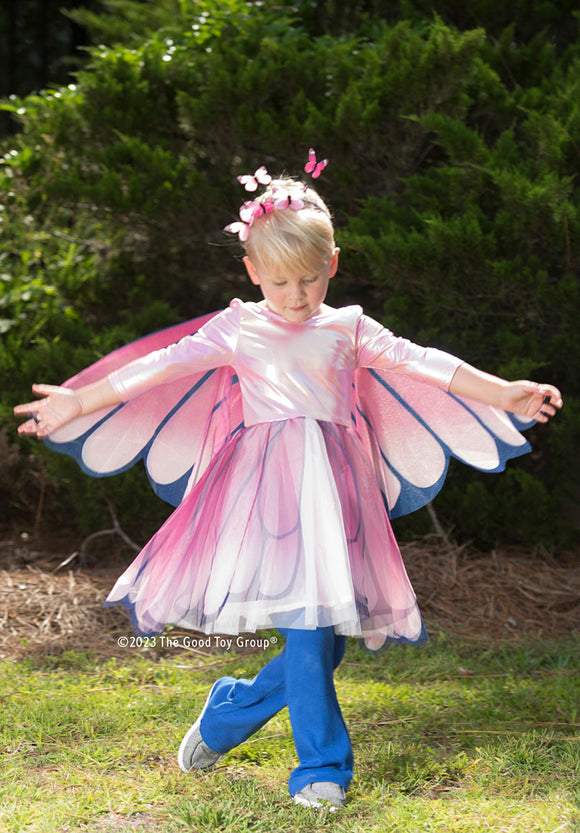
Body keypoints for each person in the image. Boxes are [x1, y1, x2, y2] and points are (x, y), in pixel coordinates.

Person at [14, 151, 562, 811]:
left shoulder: (347, 326)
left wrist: (502, 392)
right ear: (252, 271)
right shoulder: (239, 326)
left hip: (336, 495)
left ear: (332, 264)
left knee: (325, 644)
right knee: (307, 633)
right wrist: (81, 399)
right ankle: (320, 771)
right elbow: (159, 366)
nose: (296, 296)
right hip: (267, 498)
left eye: (309, 279)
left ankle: (228, 712)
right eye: (278, 282)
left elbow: (422, 361)